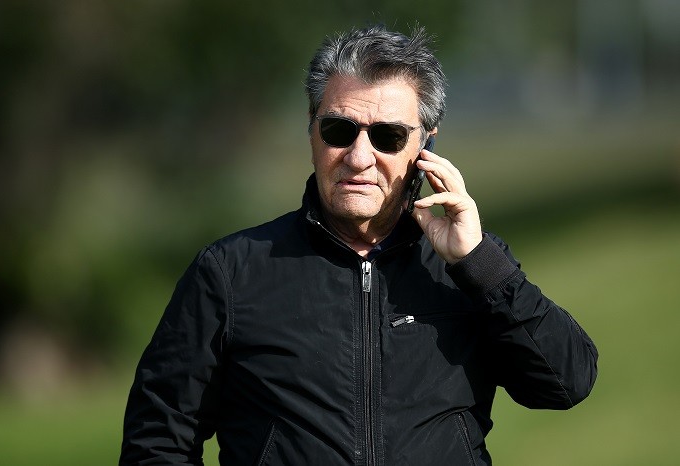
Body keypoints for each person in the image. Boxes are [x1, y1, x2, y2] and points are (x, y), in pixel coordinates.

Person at [120, 24, 598, 465]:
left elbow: (566, 383)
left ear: (425, 146)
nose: (359, 157)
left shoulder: (473, 271)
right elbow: (156, 441)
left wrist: (479, 264)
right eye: (339, 130)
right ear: (311, 129)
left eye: (388, 136)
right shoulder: (229, 272)